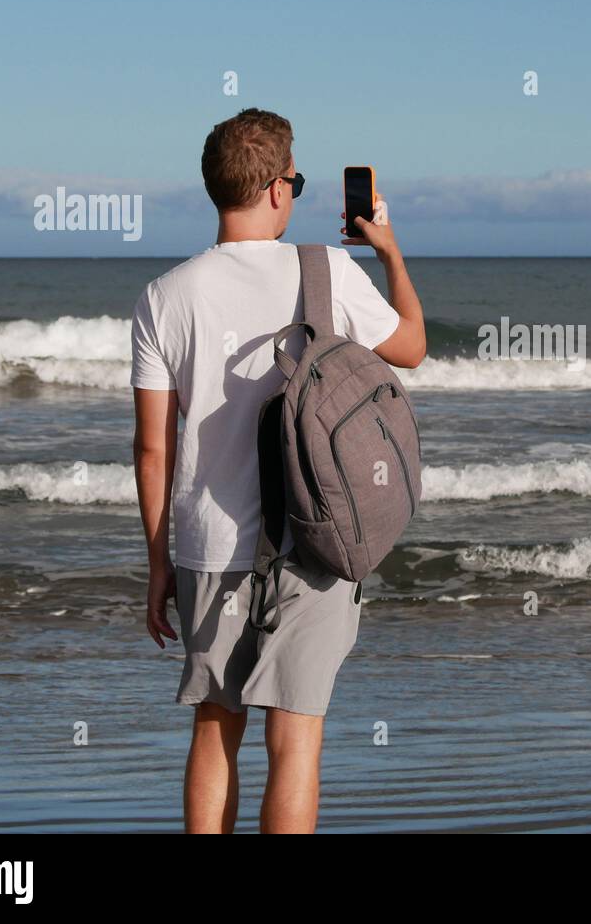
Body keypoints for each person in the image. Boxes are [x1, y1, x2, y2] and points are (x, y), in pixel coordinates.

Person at [131, 108, 425, 833]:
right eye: (293, 180)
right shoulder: (327, 269)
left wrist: (157, 561)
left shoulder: (164, 297)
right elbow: (412, 347)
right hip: (317, 542)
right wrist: (387, 250)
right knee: (295, 740)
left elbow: (152, 449)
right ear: (274, 190)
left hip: (211, 545)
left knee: (214, 726)